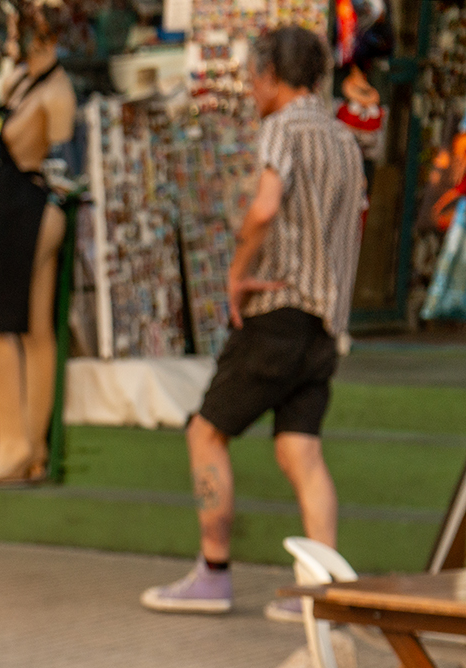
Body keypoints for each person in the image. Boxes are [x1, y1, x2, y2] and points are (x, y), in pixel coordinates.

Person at [141, 28, 362, 630]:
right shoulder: (344, 138)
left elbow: (265, 207)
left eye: (252, 75)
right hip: (325, 327)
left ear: (268, 74)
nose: (249, 86)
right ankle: (324, 589)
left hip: (278, 313)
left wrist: (237, 275)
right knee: (301, 450)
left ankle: (212, 574)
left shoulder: (284, 128)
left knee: (206, 433)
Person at [0, 13, 76, 485]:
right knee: (27, 327)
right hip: (9, 204)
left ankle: (18, 441)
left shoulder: (58, 93)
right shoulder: (20, 82)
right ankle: (27, 445)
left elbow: (67, 171)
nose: (12, 38)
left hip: (30, 209)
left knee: (2, 325)